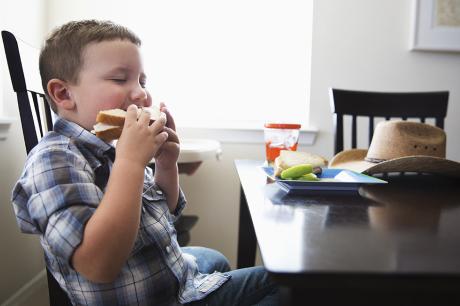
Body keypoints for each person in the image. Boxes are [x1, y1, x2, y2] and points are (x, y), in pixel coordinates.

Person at [11, 20, 279, 305]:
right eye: (120, 79)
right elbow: (97, 265)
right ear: (64, 94)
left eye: (142, 80)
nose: (141, 93)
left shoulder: (111, 147)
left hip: (159, 278)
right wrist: (131, 162)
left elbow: (165, 216)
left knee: (215, 259)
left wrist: (166, 164)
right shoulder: (53, 160)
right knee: (284, 283)